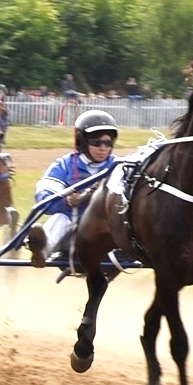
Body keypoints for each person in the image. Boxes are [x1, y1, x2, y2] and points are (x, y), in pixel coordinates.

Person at [26, 110, 119, 268]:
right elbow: (44, 194)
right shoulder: (64, 165)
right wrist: (66, 200)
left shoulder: (119, 166)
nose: (103, 148)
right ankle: (41, 251)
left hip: (108, 228)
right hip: (73, 225)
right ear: (82, 141)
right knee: (60, 218)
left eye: (108, 143)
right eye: (96, 143)